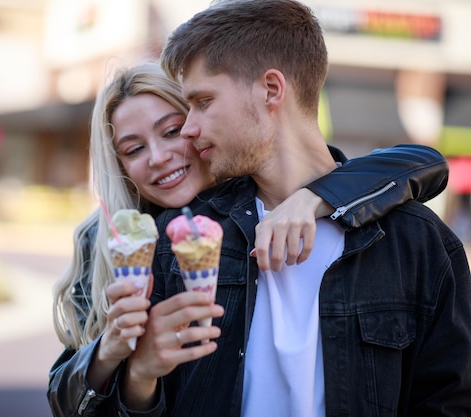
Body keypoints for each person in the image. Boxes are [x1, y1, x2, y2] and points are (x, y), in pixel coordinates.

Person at [114, 1, 471, 416]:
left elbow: (450, 402)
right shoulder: (183, 236)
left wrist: (319, 197)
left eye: (203, 102)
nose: (189, 129)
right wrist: (137, 377)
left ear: (270, 89)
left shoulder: (417, 242)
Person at [47, 63, 450, 416]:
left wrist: (316, 198)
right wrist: (116, 356)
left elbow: (422, 162)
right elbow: (65, 397)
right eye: (134, 149)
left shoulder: (263, 205)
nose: (158, 156)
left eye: (172, 131)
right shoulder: (105, 241)